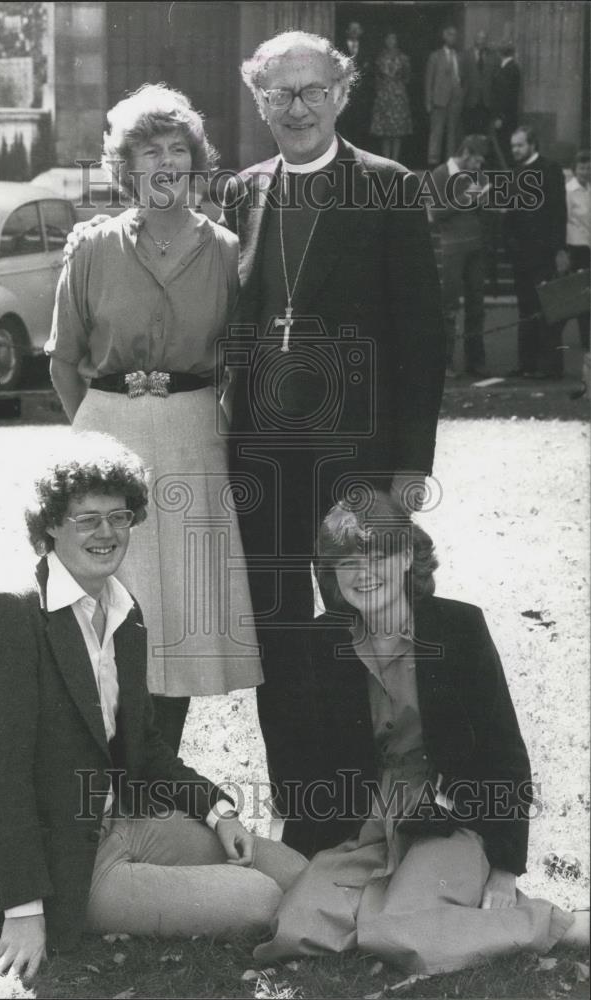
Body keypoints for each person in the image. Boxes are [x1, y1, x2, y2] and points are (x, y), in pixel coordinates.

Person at [0, 432, 307, 980]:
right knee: (258, 899)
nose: (107, 533)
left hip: (120, 822)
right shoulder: (13, 614)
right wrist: (22, 910)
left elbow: (146, 747)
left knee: (291, 868)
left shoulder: (124, 608)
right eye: (87, 519)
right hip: (64, 863)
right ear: (49, 527)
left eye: (120, 516)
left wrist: (217, 810)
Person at [221, 30, 444, 813]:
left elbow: (423, 335)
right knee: (278, 639)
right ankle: (304, 811)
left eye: (314, 90)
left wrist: (411, 462)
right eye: (279, 93)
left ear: (343, 95)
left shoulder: (391, 186)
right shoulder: (243, 191)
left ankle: (381, 803)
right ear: (258, 100)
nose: (298, 107)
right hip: (263, 465)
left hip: (359, 458)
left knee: (370, 625)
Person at [252, 493, 591, 974]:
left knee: (408, 936)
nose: (362, 572)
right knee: (297, 928)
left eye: (378, 555)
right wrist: (295, 848)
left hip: (448, 817)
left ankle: (563, 924)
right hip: (365, 826)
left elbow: (504, 752)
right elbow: (298, 760)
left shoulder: (459, 627)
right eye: (346, 560)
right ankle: (417, 909)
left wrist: (503, 868)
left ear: (408, 555)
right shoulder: (318, 640)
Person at [45, 85, 263, 755]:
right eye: (149, 152)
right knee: (104, 600)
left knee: (181, 612)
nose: (166, 163)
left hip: (195, 439)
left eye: (178, 150)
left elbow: (241, 361)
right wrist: (96, 435)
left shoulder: (229, 252)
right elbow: (63, 362)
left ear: (196, 166)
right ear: (126, 167)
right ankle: (100, 771)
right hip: (109, 436)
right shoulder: (92, 248)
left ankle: (159, 773)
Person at [506, 125, 567, 379]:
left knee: (547, 308)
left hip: (543, 252)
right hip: (521, 254)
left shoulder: (551, 170)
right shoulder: (513, 173)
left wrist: (559, 249)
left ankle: (550, 366)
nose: (515, 150)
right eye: (513, 146)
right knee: (525, 309)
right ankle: (527, 363)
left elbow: (557, 211)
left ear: (532, 144)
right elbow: (509, 215)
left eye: (519, 145)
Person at [429, 134, 490, 378]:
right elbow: (435, 212)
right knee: (449, 306)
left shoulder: (479, 176)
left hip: (476, 246)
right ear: (465, 153)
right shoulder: (440, 174)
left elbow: (481, 212)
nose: (479, 166)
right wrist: (466, 199)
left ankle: (476, 361)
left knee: (477, 304)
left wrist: (485, 202)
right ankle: (445, 363)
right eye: (476, 160)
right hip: (452, 247)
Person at [557, 148, 590, 350]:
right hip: (576, 248)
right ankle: (554, 335)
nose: (585, 171)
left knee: (585, 297)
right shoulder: (569, 191)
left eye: (588, 168)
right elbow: (564, 220)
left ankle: (585, 340)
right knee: (575, 297)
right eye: (582, 167)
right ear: (574, 169)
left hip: (588, 247)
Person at [369, 31, 412, 162]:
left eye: (393, 38)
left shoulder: (403, 58)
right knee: (385, 131)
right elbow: (375, 76)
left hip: (398, 95)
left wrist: (398, 86)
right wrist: (381, 89)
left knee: (397, 131)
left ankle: (395, 160)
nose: (391, 41)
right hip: (384, 95)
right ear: (385, 41)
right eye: (388, 38)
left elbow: (407, 76)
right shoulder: (380, 57)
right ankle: (386, 160)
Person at [425, 26, 464, 167]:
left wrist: (461, 94)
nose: (452, 38)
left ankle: (450, 163)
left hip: (455, 100)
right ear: (444, 36)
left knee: (452, 134)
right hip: (439, 100)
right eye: (450, 35)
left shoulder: (459, 56)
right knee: (437, 132)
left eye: (454, 35)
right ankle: (433, 162)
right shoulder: (435, 56)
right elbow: (429, 79)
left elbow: (462, 77)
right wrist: (428, 101)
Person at [338, 21, 373, 149]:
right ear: (347, 31)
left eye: (357, 29)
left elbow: (370, 70)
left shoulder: (367, 47)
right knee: (345, 123)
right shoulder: (339, 46)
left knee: (361, 123)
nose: (354, 32)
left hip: (362, 94)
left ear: (361, 32)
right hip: (345, 92)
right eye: (352, 29)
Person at [460, 29, 498, 137]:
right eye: (479, 38)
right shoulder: (465, 56)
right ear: (475, 40)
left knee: (484, 134)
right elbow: (461, 78)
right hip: (470, 101)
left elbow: (496, 79)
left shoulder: (493, 57)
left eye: (484, 38)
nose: (482, 41)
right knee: (470, 133)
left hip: (486, 102)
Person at [490, 44, 521, 165]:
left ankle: (508, 170)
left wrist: (500, 116)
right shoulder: (510, 67)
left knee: (505, 143)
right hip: (508, 114)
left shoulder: (509, 69)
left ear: (500, 53)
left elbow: (505, 96)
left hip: (505, 115)